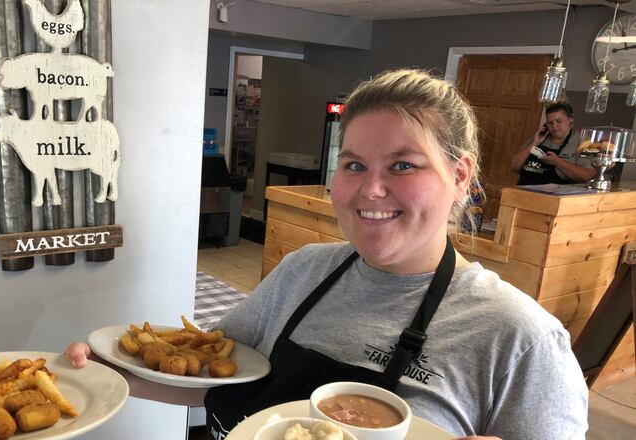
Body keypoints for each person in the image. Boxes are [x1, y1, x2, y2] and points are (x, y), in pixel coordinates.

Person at [66, 69, 588, 439]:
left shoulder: (520, 339)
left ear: (459, 176)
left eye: (404, 166)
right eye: (355, 165)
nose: (372, 190)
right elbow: (209, 381)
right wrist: (110, 377)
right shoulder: (303, 270)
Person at [511, 102, 595, 185]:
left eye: (558, 121)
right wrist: (534, 143)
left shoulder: (582, 143)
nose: (554, 126)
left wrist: (557, 162)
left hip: (554, 196)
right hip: (522, 191)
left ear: (570, 119)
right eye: (549, 123)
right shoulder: (539, 137)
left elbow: (587, 176)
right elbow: (514, 166)